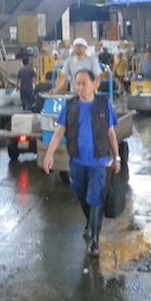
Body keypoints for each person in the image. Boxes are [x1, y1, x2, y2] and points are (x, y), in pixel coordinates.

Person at [43, 69, 121, 257]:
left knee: (95, 196)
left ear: (94, 83)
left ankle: (94, 240)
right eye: (77, 83)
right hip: (77, 160)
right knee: (80, 193)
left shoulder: (104, 106)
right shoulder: (71, 106)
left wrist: (116, 157)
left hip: (98, 161)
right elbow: (60, 131)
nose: (80, 87)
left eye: (83, 83)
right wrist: (49, 154)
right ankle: (90, 221)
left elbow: (111, 133)